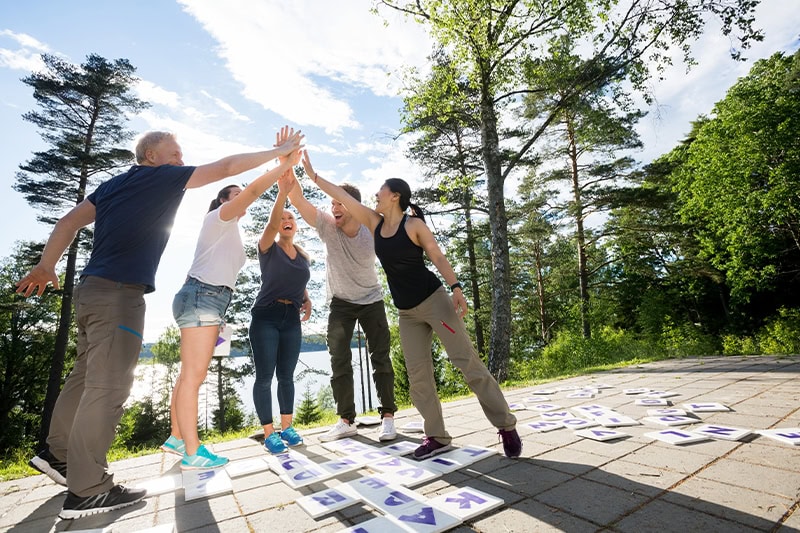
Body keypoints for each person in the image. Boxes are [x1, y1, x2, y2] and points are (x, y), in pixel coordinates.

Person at [15, 127, 303, 519]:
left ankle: (59, 454)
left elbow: (67, 222)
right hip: (122, 294)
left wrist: (47, 264)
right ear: (151, 156)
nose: (181, 161)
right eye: (175, 154)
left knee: (84, 377)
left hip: (92, 289)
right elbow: (227, 168)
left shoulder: (112, 186)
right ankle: (88, 490)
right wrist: (280, 155)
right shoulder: (161, 179)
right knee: (109, 386)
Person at [301, 151, 522, 460]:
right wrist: (313, 176)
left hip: (434, 302)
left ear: (394, 196)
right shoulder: (374, 222)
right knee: (418, 377)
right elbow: (342, 196)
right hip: (407, 313)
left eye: (381, 191)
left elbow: (437, 256)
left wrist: (456, 288)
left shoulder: (414, 225)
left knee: (467, 362)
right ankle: (437, 436)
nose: (376, 195)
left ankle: (506, 425)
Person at [161, 130, 302, 470]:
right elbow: (253, 192)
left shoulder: (229, 232)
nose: (243, 198)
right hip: (202, 296)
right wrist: (280, 166)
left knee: (188, 375)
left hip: (207, 300)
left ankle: (176, 438)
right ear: (224, 201)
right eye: (235, 195)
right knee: (194, 376)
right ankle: (193, 452)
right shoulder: (220, 217)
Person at [287, 176, 397, 442]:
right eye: (332, 203)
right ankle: (346, 420)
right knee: (339, 359)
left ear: (352, 205)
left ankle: (388, 418)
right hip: (341, 303)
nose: (334, 208)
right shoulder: (327, 225)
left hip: (371, 300)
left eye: (339, 203)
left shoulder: (371, 227)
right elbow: (298, 199)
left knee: (380, 357)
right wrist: (288, 172)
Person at [249, 169, 312, 454]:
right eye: (283, 218)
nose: (287, 221)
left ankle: (287, 428)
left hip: (291, 320)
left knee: (286, 376)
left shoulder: (303, 256)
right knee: (265, 377)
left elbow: (298, 280)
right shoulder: (267, 247)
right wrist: (282, 194)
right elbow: (272, 224)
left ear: (296, 226)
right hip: (266, 316)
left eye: (291, 218)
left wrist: (306, 299)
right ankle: (269, 433)